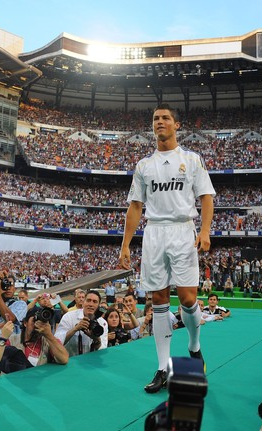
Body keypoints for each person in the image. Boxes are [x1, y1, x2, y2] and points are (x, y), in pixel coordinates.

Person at [119, 103, 215, 393]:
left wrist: (206, 231)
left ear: (177, 125)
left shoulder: (192, 159)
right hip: (154, 233)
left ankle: (194, 346)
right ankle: (163, 368)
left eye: (165, 118)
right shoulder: (144, 165)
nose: (159, 122)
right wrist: (125, 244)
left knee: (187, 299)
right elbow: (135, 207)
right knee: (158, 299)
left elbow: (206, 197)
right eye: (155, 119)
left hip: (183, 229)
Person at [54, 290, 108, 357]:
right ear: (83, 302)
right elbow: (57, 341)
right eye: (88, 300)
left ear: (98, 305)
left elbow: (103, 350)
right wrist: (75, 329)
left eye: (95, 302)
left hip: (92, 362)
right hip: (70, 360)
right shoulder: (69, 317)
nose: (91, 304)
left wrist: (96, 339)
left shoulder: (102, 323)